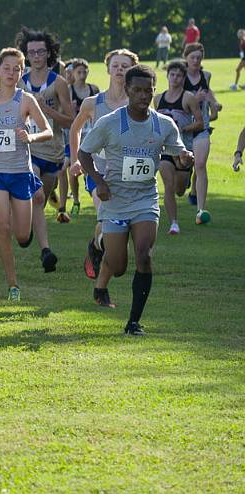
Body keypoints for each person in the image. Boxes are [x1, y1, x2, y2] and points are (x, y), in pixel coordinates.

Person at [79, 64, 191, 335]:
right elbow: (84, 154)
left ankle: (133, 322)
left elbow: (178, 150)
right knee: (118, 267)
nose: (143, 95)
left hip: (145, 200)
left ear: (154, 91)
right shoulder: (110, 123)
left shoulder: (163, 124)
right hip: (115, 199)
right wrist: (100, 181)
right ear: (127, 89)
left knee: (143, 255)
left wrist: (184, 157)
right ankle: (100, 244)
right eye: (137, 90)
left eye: (148, 90)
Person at [0, 48, 53, 301]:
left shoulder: (25, 100)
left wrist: (31, 136)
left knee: (22, 235)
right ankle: (13, 284)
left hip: (20, 173)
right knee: (3, 226)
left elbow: (48, 131)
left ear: (21, 72)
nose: (11, 73)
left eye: (16, 69)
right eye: (7, 68)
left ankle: (23, 226)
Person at [69, 49, 136, 281]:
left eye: (124, 66)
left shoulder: (138, 102)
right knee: (105, 215)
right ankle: (100, 249)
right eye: (115, 65)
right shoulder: (92, 103)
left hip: (127, 172)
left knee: (119, 223)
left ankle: (96, 247)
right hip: (97, 170)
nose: (119, 69)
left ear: (132, 71)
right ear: (108, 69)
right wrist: (77, 159)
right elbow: (75, 129)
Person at [15, 28, 68, 270]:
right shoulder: (19, 82)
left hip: (53, 150)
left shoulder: (59, 83)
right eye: (32, 52)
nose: (36, 56)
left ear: (49, 54)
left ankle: (29, 230)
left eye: (41, 52)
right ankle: (46, 251)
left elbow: (72, 119)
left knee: (41, 200)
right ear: (26, 54)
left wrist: (47, 112)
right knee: (36, 196)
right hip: (29, 149)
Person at [154, 61, 203, 236]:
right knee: (168, 185)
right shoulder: (158, 98)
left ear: (183, 78)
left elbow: (200, 122)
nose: (175, 78)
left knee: (179, 190)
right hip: (166, 150)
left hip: (184, 150)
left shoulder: (188, 97)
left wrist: (182, 128)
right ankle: (174, 223)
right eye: (172, 74)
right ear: (167, 76)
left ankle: (187, 179)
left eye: (179, 75)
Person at [181, 43, 220, 225]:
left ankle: (200, 210)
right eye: (192, 57)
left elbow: (208, 91)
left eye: (199, 57)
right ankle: (187, 180)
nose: (196, 60)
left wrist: (214, 104)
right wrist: (193, 100)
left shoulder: (206, 76)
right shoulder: (179, 76)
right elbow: (174, 98)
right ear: (186, 58)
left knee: (201, 164)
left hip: (201, 126)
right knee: (184, 172)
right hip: (183, 127)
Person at [65, 59, 100, 215]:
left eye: (85, 71)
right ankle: (76, 200)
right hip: (74, 135)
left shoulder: (94, 89)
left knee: (89, 169)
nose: (82, 75)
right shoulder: (69, 90)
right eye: (79, 72)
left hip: (91, 137)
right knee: (70, 169)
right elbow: (66, 116)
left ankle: (92, 192)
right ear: (73, 73)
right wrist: (72, 111)